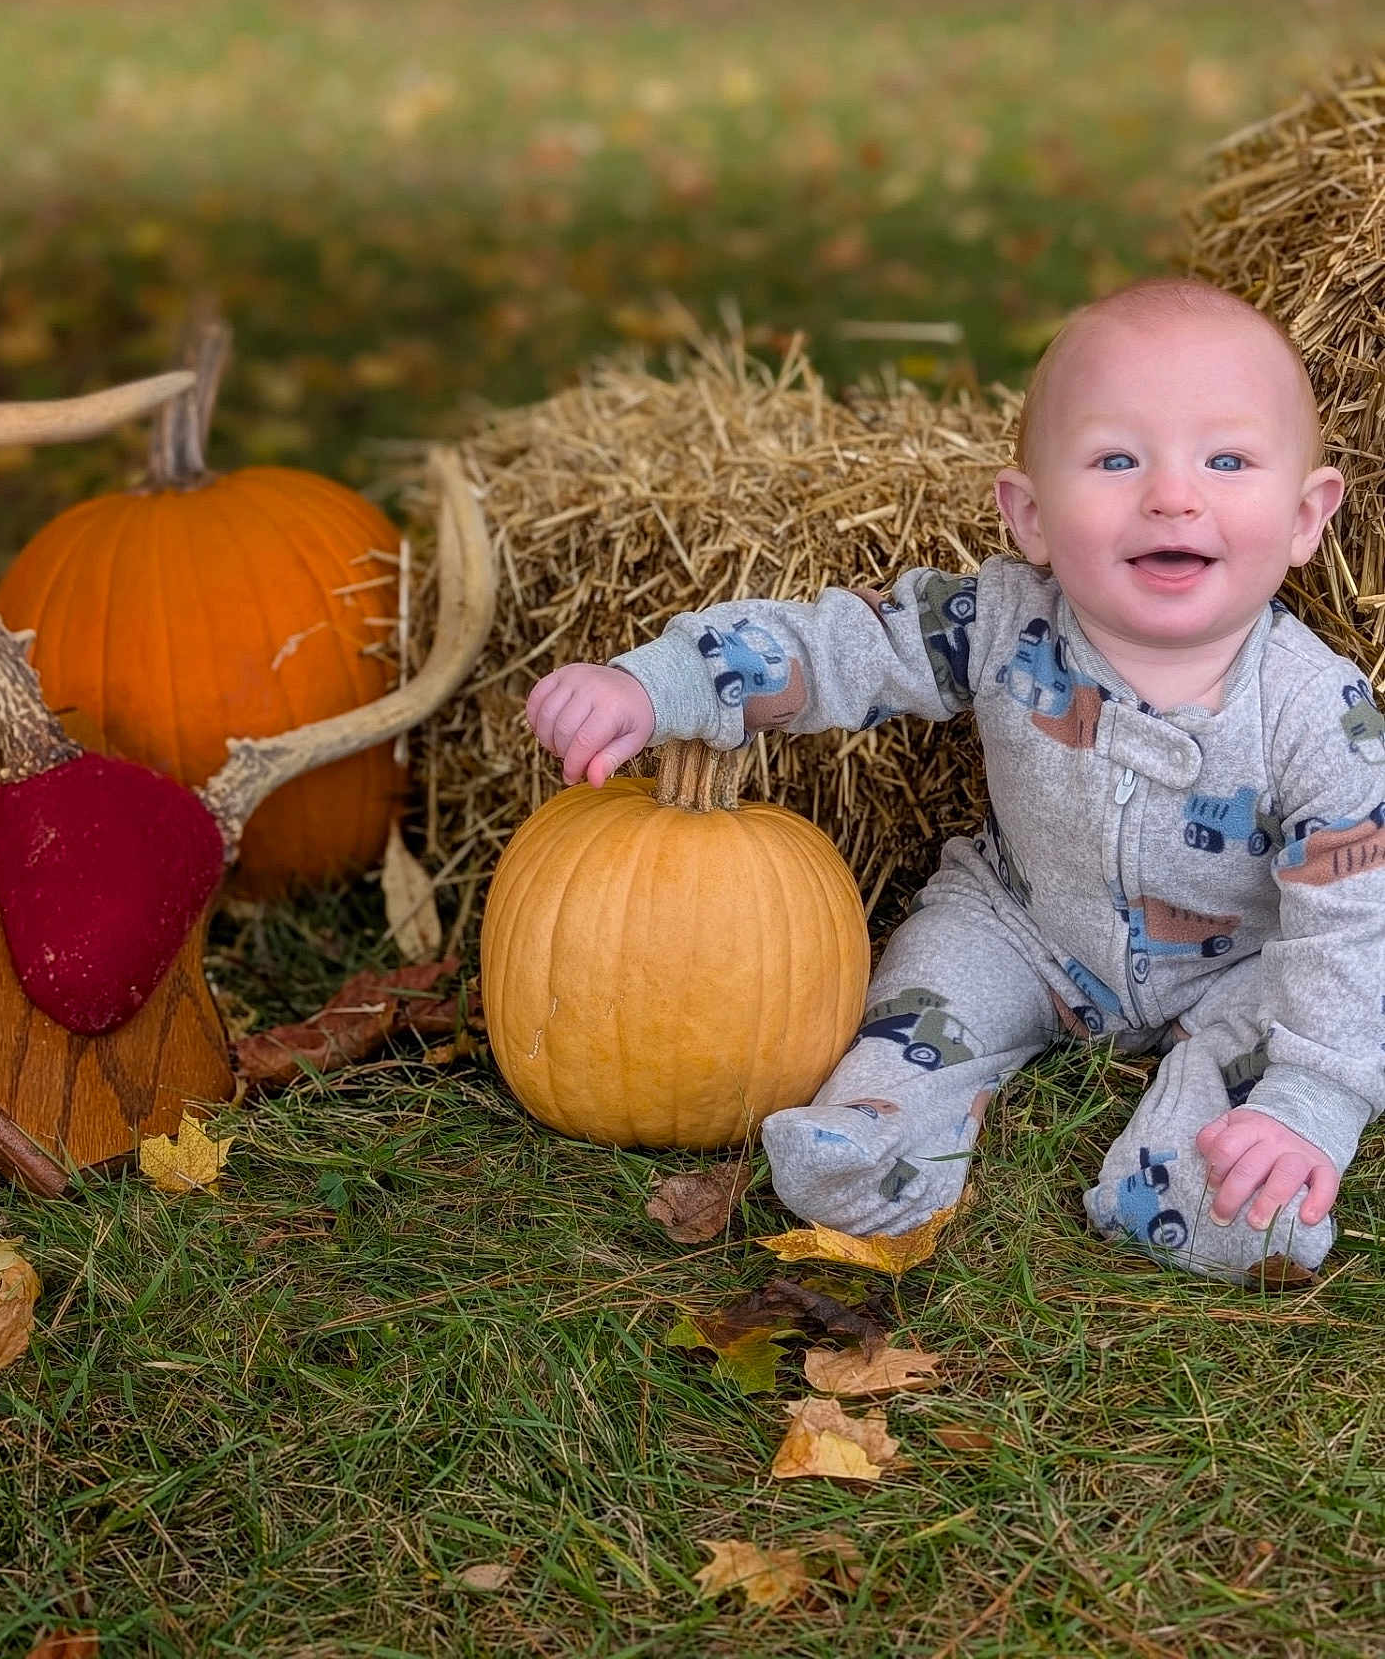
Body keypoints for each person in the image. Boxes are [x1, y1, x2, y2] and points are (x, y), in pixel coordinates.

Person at [525, 280, 1385, 1282]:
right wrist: (661, 683)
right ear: (1028, 513)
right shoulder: (995, 622)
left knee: (1280, 1063)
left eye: (1226, 461)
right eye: (1114, 459)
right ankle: (881, 1131)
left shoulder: (1317, 715)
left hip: (1238, 964)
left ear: (1303, 516)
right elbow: (840, 647)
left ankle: (1221, 1182)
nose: (1171, 495)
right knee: (929, 991)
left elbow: (1350, 925)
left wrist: (1310, 1102)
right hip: (1019, 927)